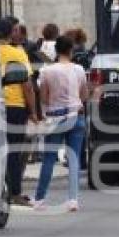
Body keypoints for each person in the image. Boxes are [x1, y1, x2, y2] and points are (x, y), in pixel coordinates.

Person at [34, 36, 89, 212]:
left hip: (55, 117)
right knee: (74, 158)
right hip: (76, 115)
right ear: (71, 50)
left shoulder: (47, 72)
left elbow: (43, 96)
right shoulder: (79, 70)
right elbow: (84, 94)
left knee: (49, 158)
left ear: (56, 51)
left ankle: (40, 199)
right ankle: (73, 199)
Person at [0, 18, 39, 206]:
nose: (17, 33)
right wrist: (33, 111)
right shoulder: (17, 53)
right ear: (9, 33)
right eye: (14, 30)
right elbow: (27, 86)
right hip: (15, 106)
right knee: (14, 151)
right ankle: (14, 192)